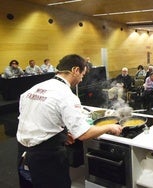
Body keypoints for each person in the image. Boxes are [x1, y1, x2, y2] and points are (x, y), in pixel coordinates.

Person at [16, 54, 122, 188]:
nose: (81, 79)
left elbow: (34, 118)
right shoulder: (66, 95)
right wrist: (110, 127)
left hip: (23, 152)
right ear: (75, 70)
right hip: (46, 157)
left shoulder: (35, 88)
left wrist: (62, 134)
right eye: (82, 75)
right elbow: (84, 134)